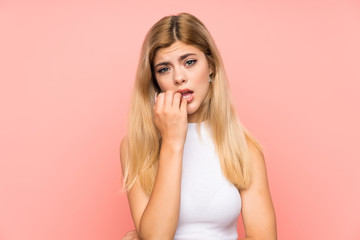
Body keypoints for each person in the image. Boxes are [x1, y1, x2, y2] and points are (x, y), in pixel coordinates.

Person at [120, 12, 277, 240]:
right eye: (164, 69)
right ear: (155, 81)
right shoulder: (135, 147)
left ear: (210, 66)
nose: (179, 77)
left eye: (189, 62)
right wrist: (173, 141)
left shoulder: (245, 148)